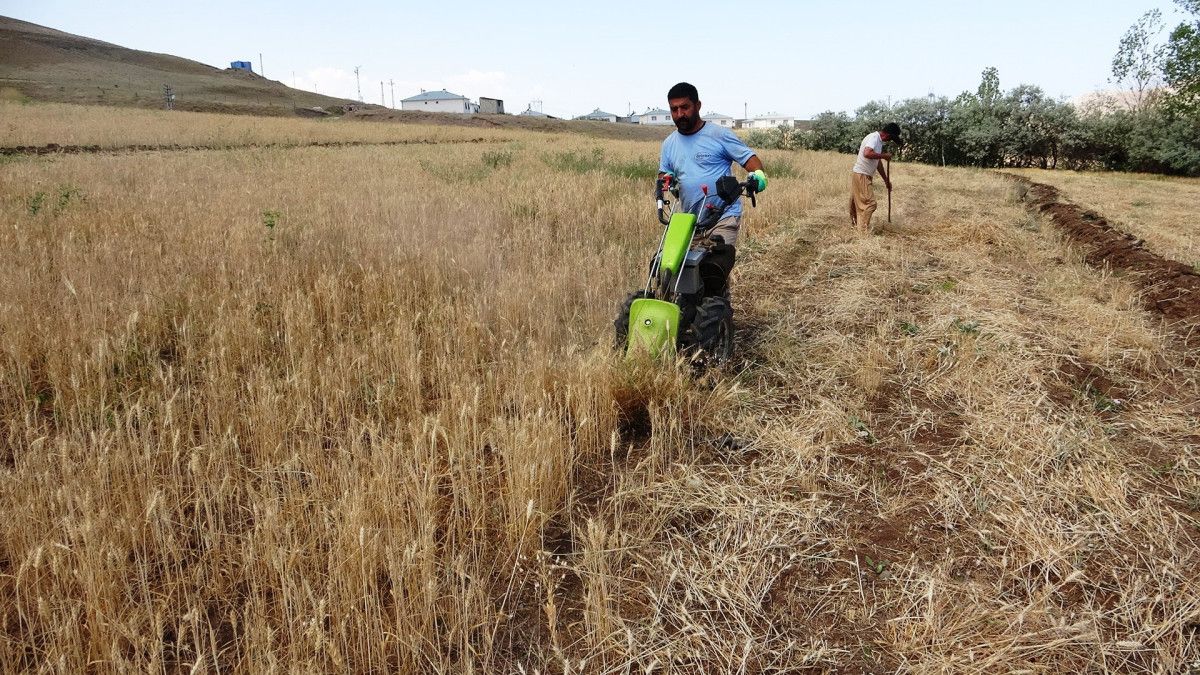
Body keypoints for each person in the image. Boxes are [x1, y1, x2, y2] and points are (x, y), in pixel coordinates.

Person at [658, 82, 767, 295]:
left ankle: (718, 311)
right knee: (673, 273)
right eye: (674, 109)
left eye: (685, 107)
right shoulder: (669, 144)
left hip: (723, 215)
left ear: (698, 105)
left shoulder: (718, 135)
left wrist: (758, 177)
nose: (679, 114)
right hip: (688, 220)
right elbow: (664, 174)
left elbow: (752, 161)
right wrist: (667, 180)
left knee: (712, 274)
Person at [850, 122, 901, 234]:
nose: (889, 141)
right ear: (887, 135)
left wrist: (886, 180)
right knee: (870, 204)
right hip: (862, 174)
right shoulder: (874, 138)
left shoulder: (878, 142)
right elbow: (867, 153)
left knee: (858, 203)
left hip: (862, 174)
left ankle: (856, 227)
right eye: (890, 138)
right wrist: (884, 156)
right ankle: (862, 232)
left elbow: (877, 163)